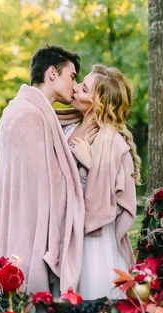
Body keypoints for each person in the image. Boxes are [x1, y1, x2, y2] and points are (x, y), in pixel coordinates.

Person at [0, 45, 97, 295]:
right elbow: (48, 182)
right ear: (52, 73)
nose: (74, 85)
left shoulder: (25, 109)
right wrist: (76, 144)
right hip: (26, 228)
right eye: (72, 76)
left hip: (22, 219)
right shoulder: (27, 115)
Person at [58, 65, 141, 300]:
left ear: (99, 103)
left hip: (94, 236)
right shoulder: (69, 125)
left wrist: (91, 163)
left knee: (93, 296)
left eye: (83, 89)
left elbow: (117, 199)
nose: (74, 88)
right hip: (66, 226)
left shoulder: (112, 141)